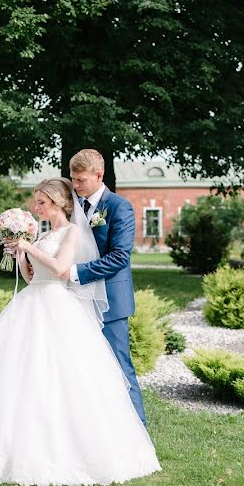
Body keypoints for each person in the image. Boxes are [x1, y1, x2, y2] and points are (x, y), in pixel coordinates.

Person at [0, 177, 160, 486]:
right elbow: (31, 278)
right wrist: (21, 254)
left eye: (41, 202)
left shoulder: (71, 232)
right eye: (35, 202)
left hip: (58, 306)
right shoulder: (42, 235)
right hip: (31, 303)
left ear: (58, 204)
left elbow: (61, 270)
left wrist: (29, 247)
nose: (34, 207)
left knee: (61, 377)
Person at [62, 149, 146, 425]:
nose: (75, 186)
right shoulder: (73, 206)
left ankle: (139, 433)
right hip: (77, 300)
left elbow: (120, 257)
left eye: (81, 180)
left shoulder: (119, 207)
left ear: (99, 175)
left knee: (121, 367)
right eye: (73, 179)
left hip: (111, 300)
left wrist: (75, 272)